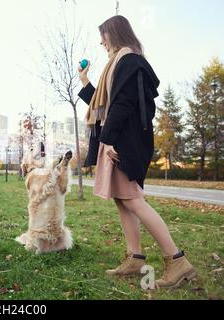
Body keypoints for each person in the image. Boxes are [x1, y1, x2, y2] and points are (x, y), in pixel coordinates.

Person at [77, 15, 196, 289]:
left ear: (114, 34)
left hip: (123, 141)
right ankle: (135, 258)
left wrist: (110, 142)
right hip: (118, 138)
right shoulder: (120, 62)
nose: (100, 41)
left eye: (103, 35)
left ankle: (177, 260)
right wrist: (85, 82)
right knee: (122, 199)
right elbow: (108, 103)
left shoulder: (129, 61)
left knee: (133, 199)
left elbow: (124, 105)